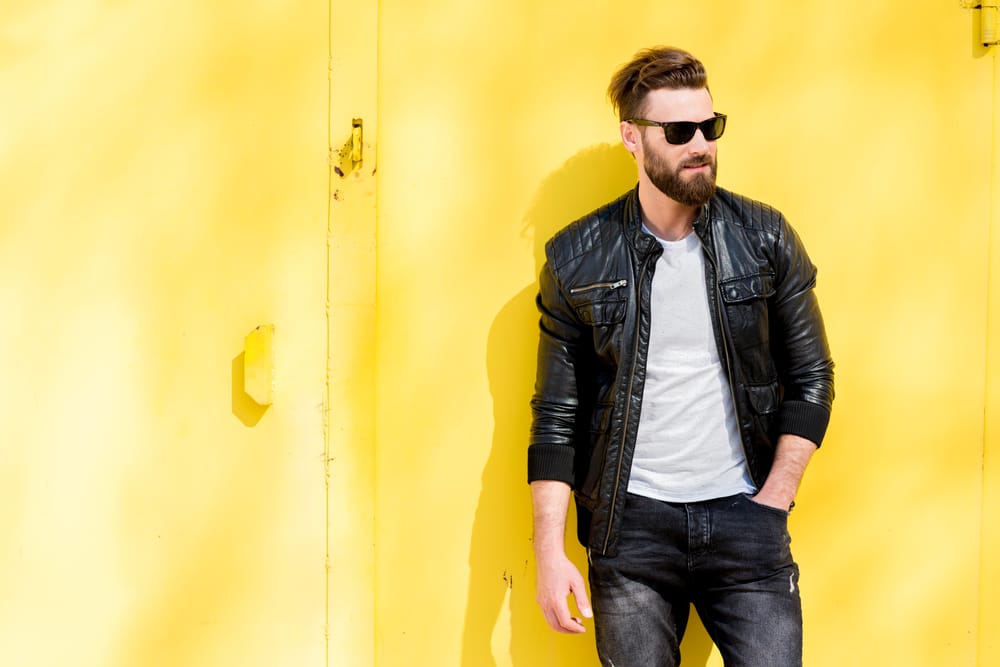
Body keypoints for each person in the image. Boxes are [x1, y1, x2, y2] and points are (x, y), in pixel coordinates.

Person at [527, 46, 834, 667]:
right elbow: (556, 418)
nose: (701, 145)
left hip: (748, 521)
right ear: (632, 138)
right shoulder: (576, 259)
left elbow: (813, 378)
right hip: (630, 530)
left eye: (709, 127)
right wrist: (549, 553)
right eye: (678, 132)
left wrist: (775, 499)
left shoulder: (764, 238)